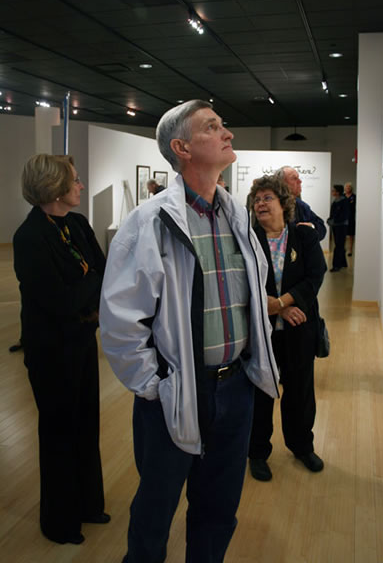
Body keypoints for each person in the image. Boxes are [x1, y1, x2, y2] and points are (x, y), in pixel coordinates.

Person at [100, 99, 279, 563]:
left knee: (219, 509)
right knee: (155, 510)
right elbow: (120, 320)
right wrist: (154, 385)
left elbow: (252, 294)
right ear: (182, 148)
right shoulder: (149, 222)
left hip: (235, 388)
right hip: (176, 391)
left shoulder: (237, 215)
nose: (228, 133)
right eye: (212, 127)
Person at [13, 154, 109, 545]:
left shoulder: (77, 224)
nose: (80, 185)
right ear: (55, 188)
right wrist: (90, 285)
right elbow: (60, 301)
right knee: (58, 432)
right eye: (75, 180)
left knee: (86, 423)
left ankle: (88, 504)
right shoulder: (30, 237)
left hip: (82, 340)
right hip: (51, 350)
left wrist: (88, 288)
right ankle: (59, 522)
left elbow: (103, 271)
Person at [247, 174, 327, 482]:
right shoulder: (248, 240)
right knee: (260, 393)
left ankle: (302, 446)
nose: (261, 204)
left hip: (299, 328)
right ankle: (257, 452)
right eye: (257, 200)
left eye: (267, 198)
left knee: (299, 391)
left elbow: (315, 275)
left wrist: (282, 302)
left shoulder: (303, 235)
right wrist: (278, 307)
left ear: (284, 203)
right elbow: (242, 283)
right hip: (261, 332)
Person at [278, 166, 326, 240]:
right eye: (294, 178)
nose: (300, 181)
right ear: (281, 183)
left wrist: (312, 227)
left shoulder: (301, 205)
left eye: (298, 178)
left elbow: (321, 227)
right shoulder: (274, 207)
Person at [327, 184, 350, 272]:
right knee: (339, 244)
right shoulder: (336, 201)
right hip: (336, 226)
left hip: (341, 226)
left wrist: (333, 221)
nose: (332, 192)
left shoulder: (344, 201)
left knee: (339, 245)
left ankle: (336, 265)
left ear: (337, 192)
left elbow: (344, 215)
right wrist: (330, 220)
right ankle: (343, 263)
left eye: (333, 190)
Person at [344, 182, 356, 256]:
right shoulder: (342, 196)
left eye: (349, 187)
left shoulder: (354, 197)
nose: (348, 188)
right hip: (343, 218)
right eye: (347, 187)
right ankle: (343, 249)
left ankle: (350, 250)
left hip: (351, 218)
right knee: (343, 235)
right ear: (345, 188)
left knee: (351, 235)